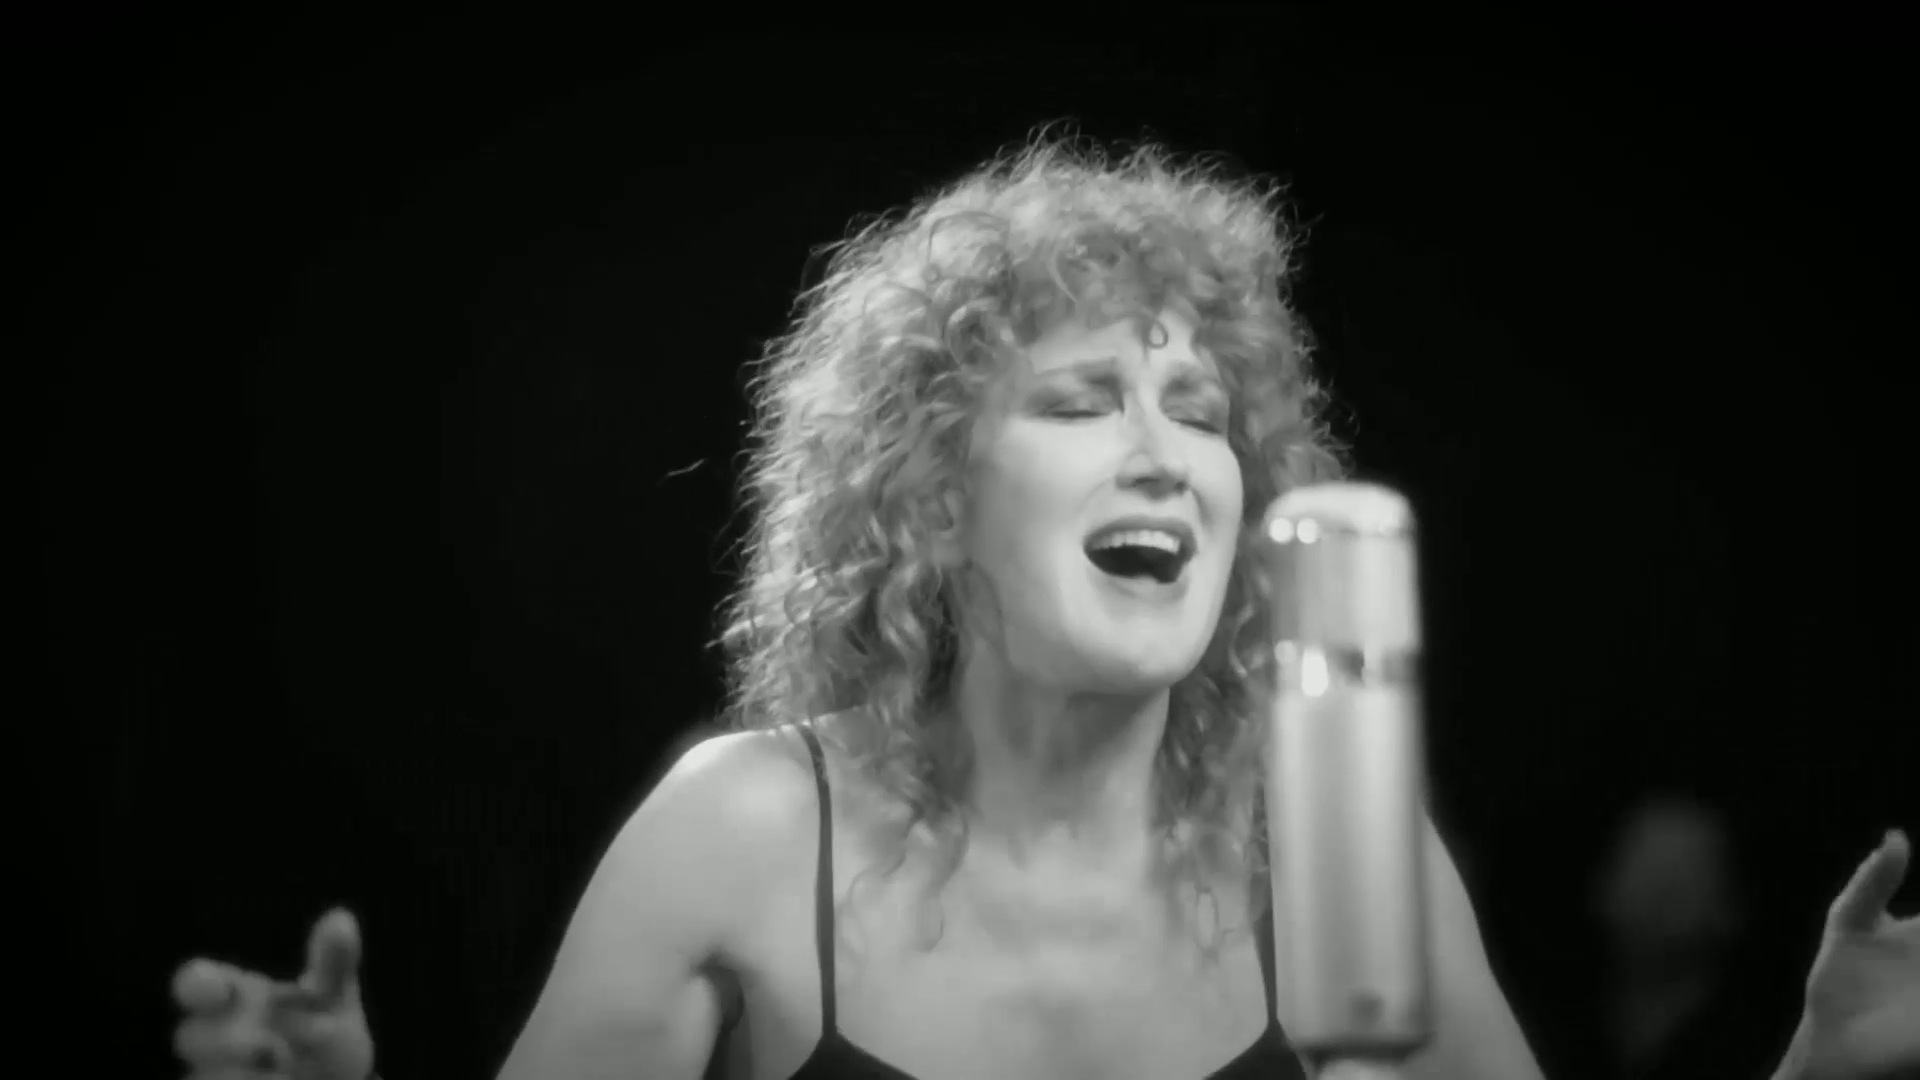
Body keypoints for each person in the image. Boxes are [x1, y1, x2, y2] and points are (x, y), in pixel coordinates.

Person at [169, 130, 1920, 1080]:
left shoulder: (1333, 852)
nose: (1166, 455)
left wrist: (1828, 1076)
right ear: (934, 498)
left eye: (1203, 414)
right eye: (1085, 402)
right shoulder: (745, 834)